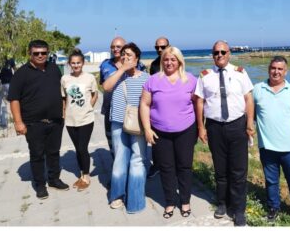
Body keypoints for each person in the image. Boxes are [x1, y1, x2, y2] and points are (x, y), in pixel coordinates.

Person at [193, 40, 254, 225]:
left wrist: (250, 124)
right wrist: (201, 127)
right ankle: (222, 203)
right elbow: (199, 102)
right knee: (220, 169)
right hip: (215, 127)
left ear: (229, 54)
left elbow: (248, 99)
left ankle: (238, 209)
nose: (219, 55)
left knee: (238, 170)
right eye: (216, 53)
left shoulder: (240, 73)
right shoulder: (205, 76)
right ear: (213, 55)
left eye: (223, 52)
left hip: (237, 125)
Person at [140, 46, 199, 218]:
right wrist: (147, 129)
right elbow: (144, 105)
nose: (169, 62)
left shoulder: (190, 80)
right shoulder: (152, 81)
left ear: (180, 61)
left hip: (186, 130)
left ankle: (185, 201)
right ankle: (170, 202)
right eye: (166, 59)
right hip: (160, 132)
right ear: (161, 61)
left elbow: (198, 104)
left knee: (184, 167)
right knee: (166, 168)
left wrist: (199, 127)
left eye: (173, 59)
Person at [8, 40, 69, 199]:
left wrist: (63, 111)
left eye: (44, 53)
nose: (41, 56)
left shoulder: (54, 68)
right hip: (34, 124)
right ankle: (40, 185)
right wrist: (18, 122)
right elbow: (14, 99)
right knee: (37, 155)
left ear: (48, 53)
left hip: (55, 121)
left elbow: (62, 91)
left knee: (54, 152)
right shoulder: (21, 74)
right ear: (30, 53)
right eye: (36, 53)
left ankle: (54, 179)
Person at [252, 56, 290, 221]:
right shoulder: (257, 89)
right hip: (267, 147)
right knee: (271, 181)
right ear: (269, 69)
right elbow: (252, 113)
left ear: (286, 71)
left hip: (289, 148)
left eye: (280, 69)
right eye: (273, 68)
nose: (276, 72)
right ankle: (273, 208)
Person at [102, 43, 149, 213]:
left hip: (138, 124)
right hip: (118, 122)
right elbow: (106, 88)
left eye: (129, 55)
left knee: (138, 159)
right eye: (123, 55)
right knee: (120, 159)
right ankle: (117, 196)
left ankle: (135, 200)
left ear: (137, 58)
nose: (126, 57)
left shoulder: (146, 77)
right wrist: (122, 69)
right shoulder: (116, 75)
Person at [61, 49, 99, 191]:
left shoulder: (89, 78)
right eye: (73, 63)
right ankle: (82, 174)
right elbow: (64, 98)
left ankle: (86, 177)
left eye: (78, 63)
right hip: (70, 120)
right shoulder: (65, 79)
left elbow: (95, 94)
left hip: (86, 119)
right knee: (77, 149)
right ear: (69, 64)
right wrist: (64, 113)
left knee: (83, 148)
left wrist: (90, 106)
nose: (76, 65)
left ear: (83, 63)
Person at [0, 59, 14, 128]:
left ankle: (7, 121)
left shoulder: (10, 57)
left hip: (8, 84)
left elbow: (15, 69)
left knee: (8, 103)